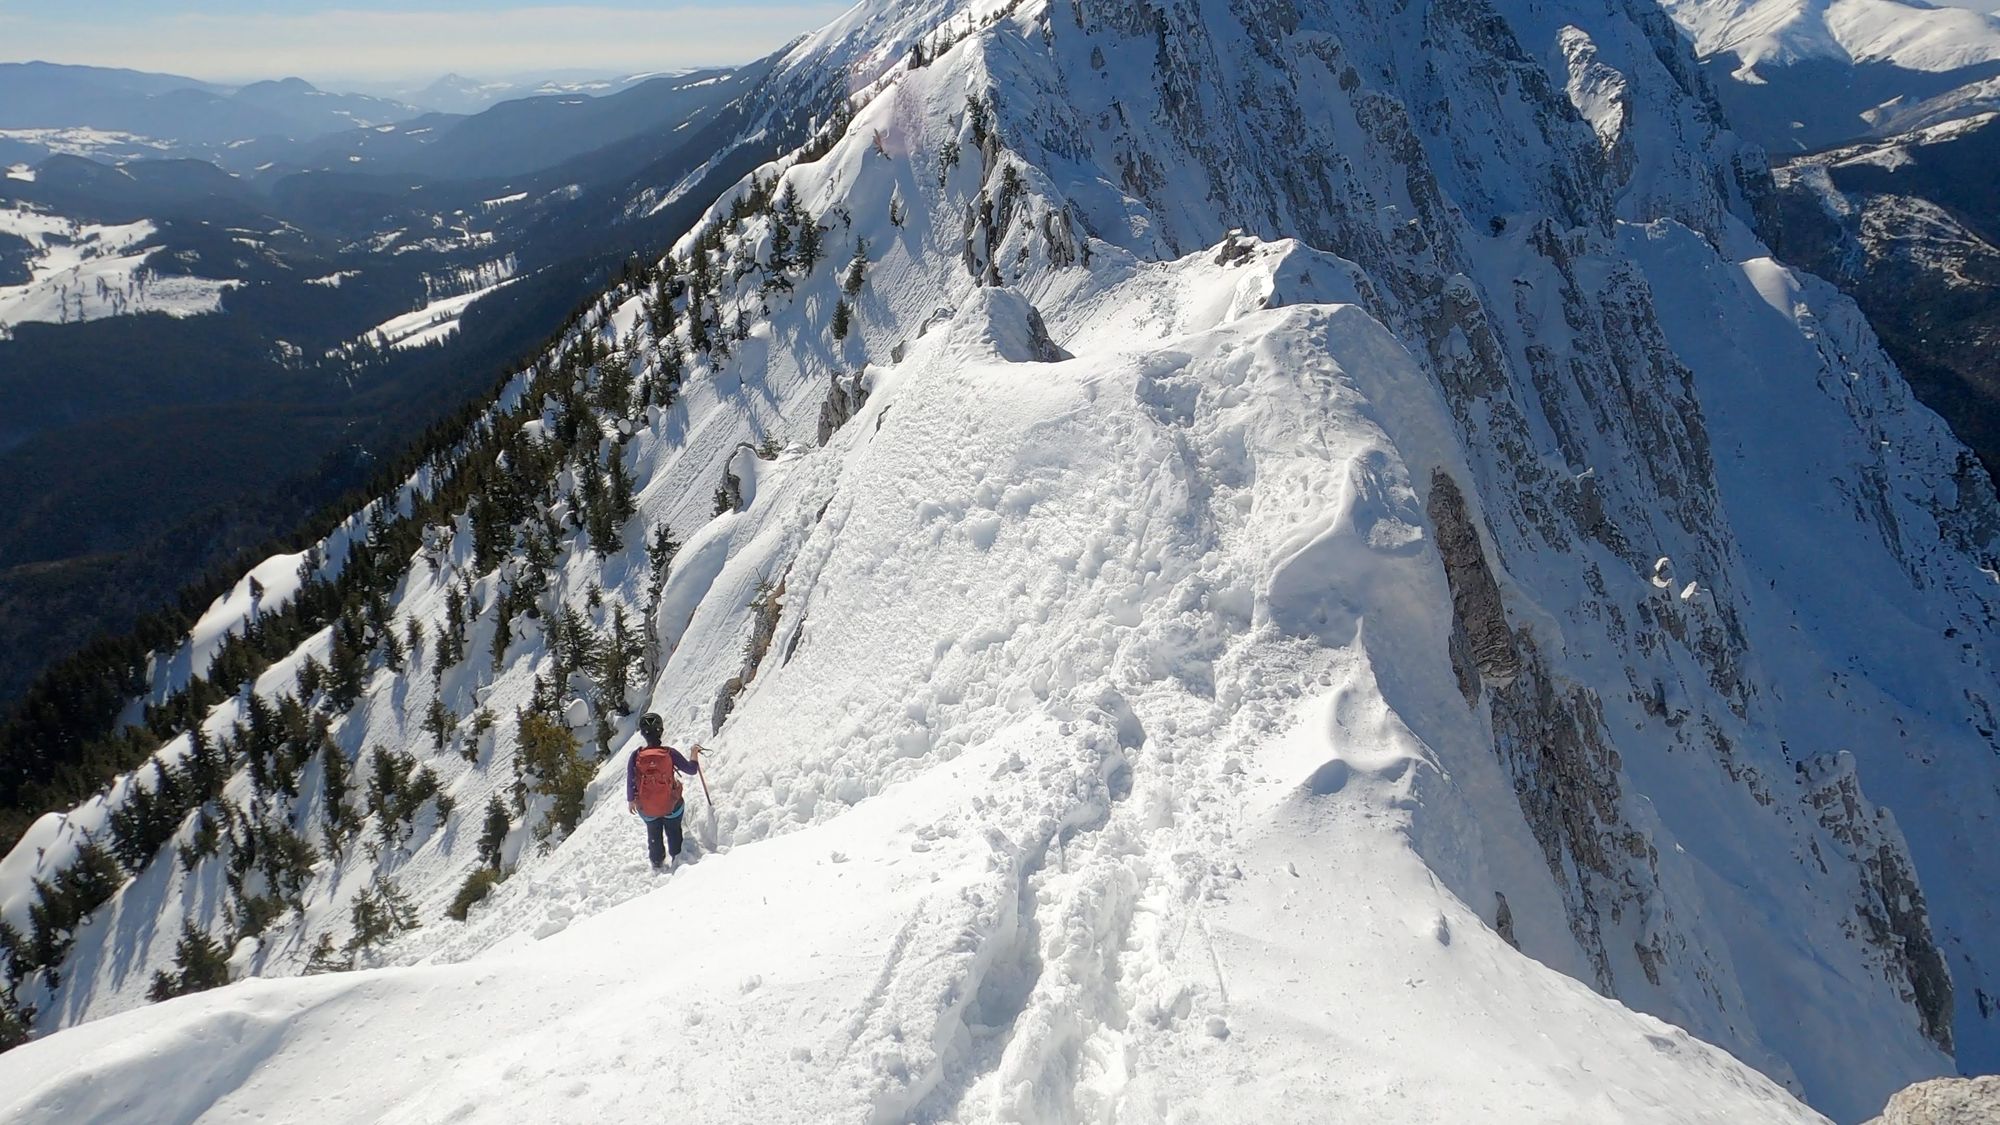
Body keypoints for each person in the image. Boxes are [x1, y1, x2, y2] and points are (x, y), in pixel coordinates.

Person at [626, 712, 702, 871]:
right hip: (671, 806)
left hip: (647, 809)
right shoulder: (669, 753)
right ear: (661, 730)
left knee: (653, 832)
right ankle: (677, 856)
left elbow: (631, 778)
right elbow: (691, 770)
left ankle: (656, 861)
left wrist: (631, 800)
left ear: (642, 733)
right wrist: (694, 754)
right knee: (673, 829)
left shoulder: (636, 755)